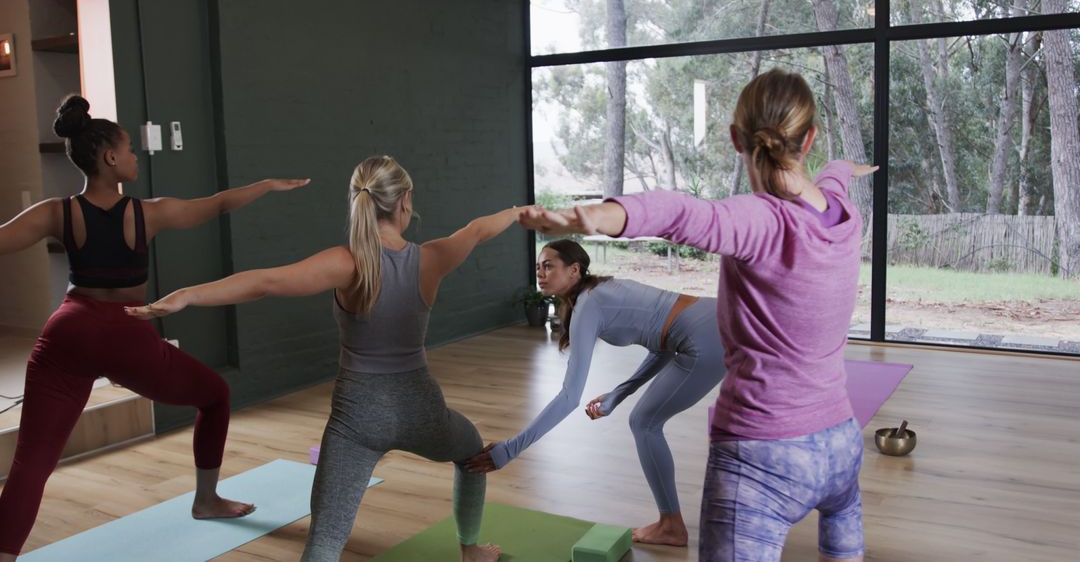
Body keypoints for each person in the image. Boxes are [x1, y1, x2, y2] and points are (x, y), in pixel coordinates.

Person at [518, 68, 878, 562]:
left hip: (762, 455)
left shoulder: (760, 221)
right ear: (809, 138)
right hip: (840, 446)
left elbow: (682, 214)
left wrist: (598, 216)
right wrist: (846, 167)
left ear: (735, 138)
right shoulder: (842, 212)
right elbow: (833, 175)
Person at [127, 155, 527, 562]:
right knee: (472, 449)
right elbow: (477, 231)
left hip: (356, 421)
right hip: (419, 409)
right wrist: (517, 212)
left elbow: (265, 282)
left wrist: (187, 295)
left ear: (358, 201)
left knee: (325, 540)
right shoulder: (430, 258)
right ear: (405, 200)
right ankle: (471, 550)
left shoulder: (345, 262)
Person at [0, 95, 308, 560]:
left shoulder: (56, 212)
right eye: (128, 149)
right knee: (215, 395)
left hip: (66, 331)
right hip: (124, 332)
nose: (134, 156)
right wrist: (266, 185)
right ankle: (206, 500)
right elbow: (219, 204)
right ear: (109, 158)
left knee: (31, 463)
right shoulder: (148, 212)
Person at [465, 239, 725, 547]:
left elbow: (569, 396)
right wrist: (619, 393)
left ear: (574, 270)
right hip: (715, 318)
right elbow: (665, 343)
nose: (541, 273)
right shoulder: (599, 292)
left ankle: (671, 526)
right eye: (538, 267)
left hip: (707, 340)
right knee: (645, 420)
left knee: (645, 423)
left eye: (549, 265)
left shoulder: (589, 305)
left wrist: (511, 449)